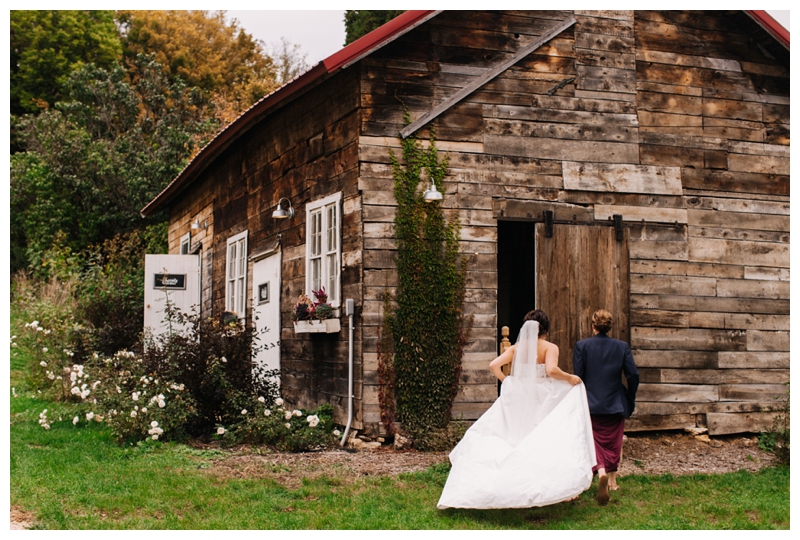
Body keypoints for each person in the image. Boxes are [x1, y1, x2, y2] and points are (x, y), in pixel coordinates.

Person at [437, 309, 596, 510]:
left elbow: (494, 365)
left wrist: (509, 382)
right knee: (548, 432)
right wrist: (570, 378)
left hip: (522, 398)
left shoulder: (517, 348)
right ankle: (550, 479)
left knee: (515, 435)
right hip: (543, 396)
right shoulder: (549, 347)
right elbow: (551, 371)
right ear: (545, 329)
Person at [572, 309, 639, 505]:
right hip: (615, 402)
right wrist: (629, 395)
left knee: (594, 441)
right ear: (609, 327)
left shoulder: (581, 346)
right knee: (614, 441)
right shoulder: (622, 347)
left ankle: (599, 470)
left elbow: (579, 376)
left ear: (592, 325)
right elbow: (633, 375)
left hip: (590, 403)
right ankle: (612, 480)